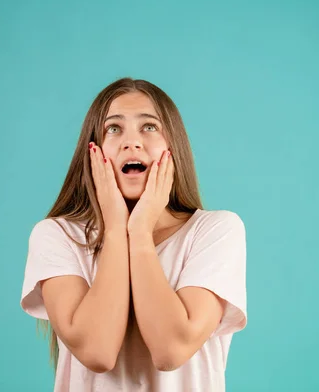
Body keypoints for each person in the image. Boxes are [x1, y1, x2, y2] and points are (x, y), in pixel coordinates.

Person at [20, 77, 247, 391]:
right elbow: (96, 351)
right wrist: (115, 228)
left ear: (173, 146)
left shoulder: (215, 231)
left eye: (150, 127)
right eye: (113, 128)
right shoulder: (57, 236)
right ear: (94, 150)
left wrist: (138, 232)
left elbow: (171, 350)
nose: (132, 142)